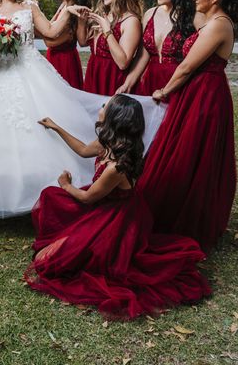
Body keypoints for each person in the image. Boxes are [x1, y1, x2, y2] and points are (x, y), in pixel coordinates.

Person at [0, 0, 166, 219]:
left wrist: (70, 10)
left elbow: (50, 31)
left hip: (30, 73)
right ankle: (0, 193)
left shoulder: (29, 6)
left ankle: (38, 193)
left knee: (38, 133)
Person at [26, 94, 211, 320]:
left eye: (106, 105)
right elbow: (84, 149)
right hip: (103, 202)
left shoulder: (117, 165)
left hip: (114, 216)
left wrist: (65, 185)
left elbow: (87, 198)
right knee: (50, 198)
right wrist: (56, 127)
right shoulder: (110, 142)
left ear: (116, 117)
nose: (101, 106)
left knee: (46, 262)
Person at [138, 0, 238, 249]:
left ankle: (189, 217)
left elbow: (186, 66)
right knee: (180, 150)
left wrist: (164, 91)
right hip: (195, 92)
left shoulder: (220, 25)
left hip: (206, 96)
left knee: (193, 154)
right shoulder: (210, 21)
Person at [117, 0, 197, 96]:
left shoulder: (193, 17)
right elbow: (143, 55)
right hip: (149, 82)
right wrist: (128, 83)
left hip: (177, 85)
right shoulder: (150, 14)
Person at [79, 0, 143, 95]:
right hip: (93, 75)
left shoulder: (131, 21)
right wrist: (81, 21)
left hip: (112, 79)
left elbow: (123, 63)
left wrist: (107, 31)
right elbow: (82, 42)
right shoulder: (104, 14)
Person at [42, 0, 91, 89]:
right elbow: (48, 27)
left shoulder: (75, 14)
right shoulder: (64, 6)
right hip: (53, 58)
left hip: (64, 64)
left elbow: (49, 41)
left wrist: (34, 23)